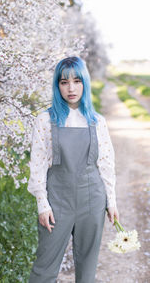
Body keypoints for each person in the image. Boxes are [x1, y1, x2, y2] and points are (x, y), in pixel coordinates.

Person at [27, 56, 119, 283]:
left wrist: (112, 201)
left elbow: (106, 164)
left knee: (87, 271)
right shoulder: (45, 120)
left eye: (77, 81)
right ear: (57, 85)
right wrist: (42, 203)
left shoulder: (97, 121)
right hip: (57, 202)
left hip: (92, 200)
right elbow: (37, 165)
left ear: (85, 83)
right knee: (44, 269)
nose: (71, 88)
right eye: (64, 82)